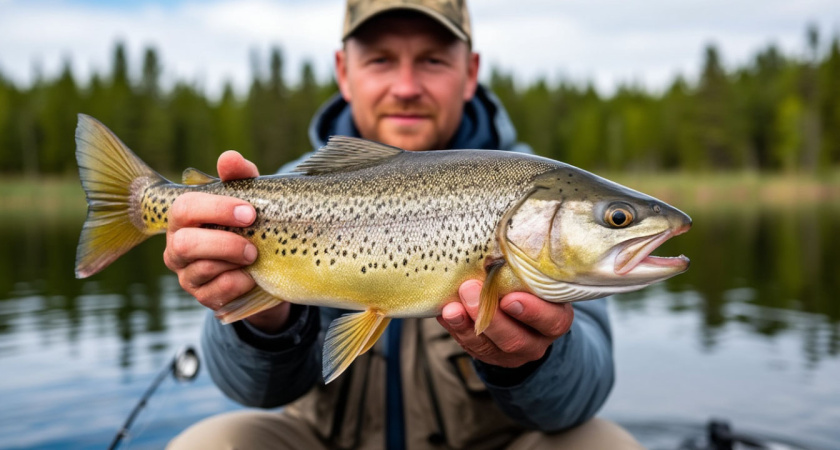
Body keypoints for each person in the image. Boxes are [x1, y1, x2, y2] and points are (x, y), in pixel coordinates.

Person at [167, 1, 642, 448]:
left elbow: (582, 393)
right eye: (380, 60)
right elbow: (253, 392)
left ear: (470, 73)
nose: (407, 86)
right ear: (343, 72)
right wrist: (266, 318)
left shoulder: (534, 182)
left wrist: (533, 360)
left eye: (433, 60)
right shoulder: (286, 190)